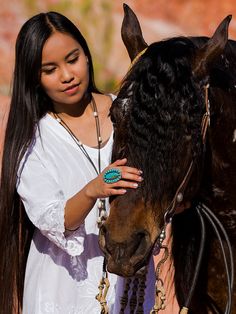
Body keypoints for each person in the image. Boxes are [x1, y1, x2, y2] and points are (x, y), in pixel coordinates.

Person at [0, 11, 143, 314]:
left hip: (127, 282)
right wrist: (93, 190)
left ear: (87, 57)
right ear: (34, 79)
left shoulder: (129, 114)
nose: (67, 75)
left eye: (72, 59)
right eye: (49, 69)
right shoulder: (34, 142)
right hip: (62, 289)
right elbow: (55, 220)